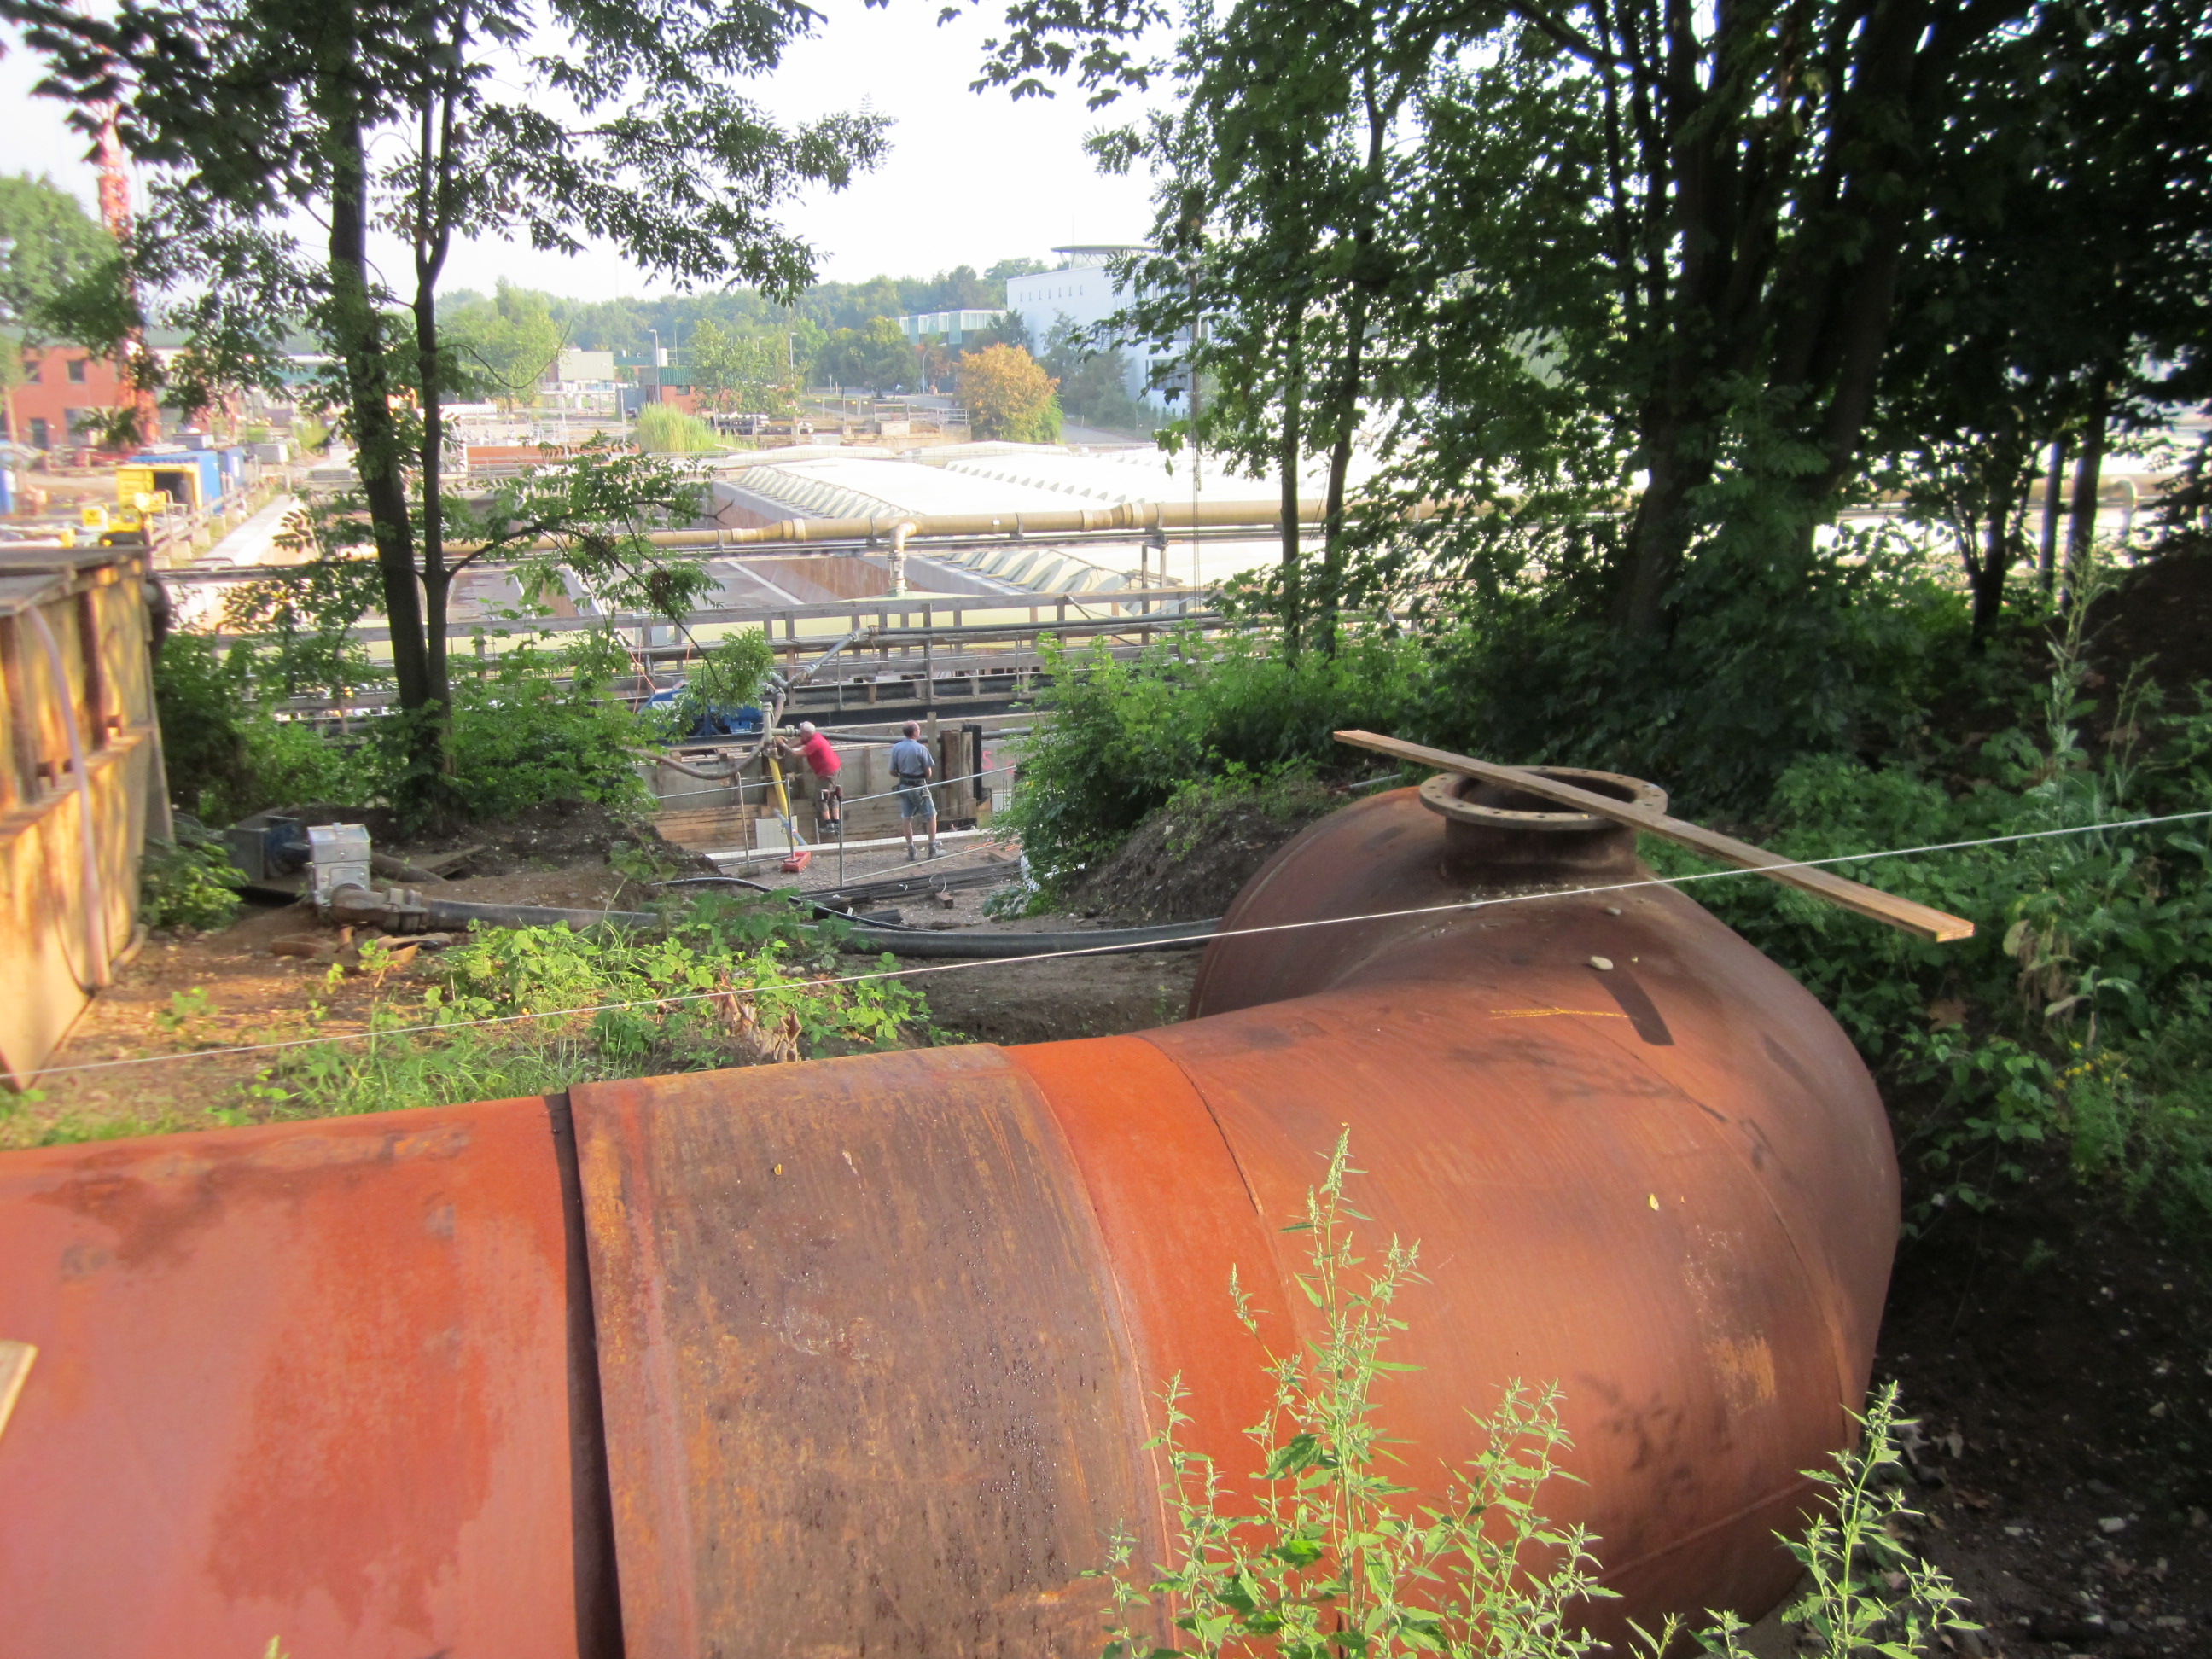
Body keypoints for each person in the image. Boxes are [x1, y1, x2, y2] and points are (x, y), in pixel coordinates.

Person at [888, 720, 939, 859]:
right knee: (931, 815)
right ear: (915, 732)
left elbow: (892, 771)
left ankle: (911, 850)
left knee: (906, 817)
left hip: (904, 786)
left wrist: (903, 775)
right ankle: (932, 848)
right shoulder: (921, 748)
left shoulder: (896, 748)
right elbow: (928, 773)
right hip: (919, 787)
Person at [787, 720, 842, 831]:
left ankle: (829, 825)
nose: (800, 734)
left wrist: (783, 745)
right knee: (832, 795)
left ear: (806, 733)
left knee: (821, 797)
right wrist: (787, 745)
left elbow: (797, 754)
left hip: (827, 773)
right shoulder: (815, 736)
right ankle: (837, 823)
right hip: (834, 769)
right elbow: (801, 741)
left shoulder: (814, 743)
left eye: (801, 732)